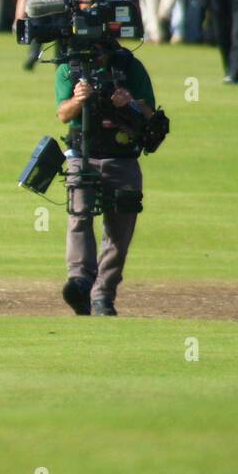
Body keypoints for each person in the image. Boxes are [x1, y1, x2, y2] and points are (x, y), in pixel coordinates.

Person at [54, 36, 161, 316]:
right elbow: (63, 114)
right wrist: (79, 100)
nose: (95, 58)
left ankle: (103, 294)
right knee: (79, 215)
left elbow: (150, 113)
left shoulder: (131, 67)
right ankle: (80, 282)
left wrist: (129, 103)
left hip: (121, 154)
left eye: (99, 52)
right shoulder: (68, 68)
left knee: (120, 227)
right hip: (82, 154)